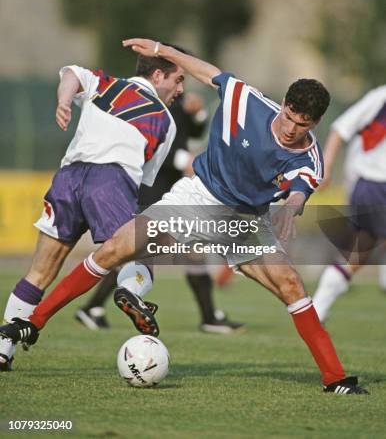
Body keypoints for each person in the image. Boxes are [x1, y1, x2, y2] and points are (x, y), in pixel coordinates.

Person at [1, 39, 368, 394]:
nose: (291, 129)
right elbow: (208, 73)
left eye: (302, 125)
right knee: (114, 250)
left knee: (291, 286)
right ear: (283, 104)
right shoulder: (247, 101)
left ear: (315, 124)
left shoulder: (310, 157)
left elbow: (300, 189)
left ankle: (334, 379)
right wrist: (163, 52)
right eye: (289, 117)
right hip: (197, 197)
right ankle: (33, 323)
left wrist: (290, 208)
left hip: (244, 220)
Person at [0, 45, 186, 371]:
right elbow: (145, 179)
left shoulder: (105, 82)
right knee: (138, 251)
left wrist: (62, 102)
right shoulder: (165, 121)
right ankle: (130, 292)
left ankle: (3, 349)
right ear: (158, 75)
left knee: (39, 272)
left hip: (68, 177)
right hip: (111, 181)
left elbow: (70, 74)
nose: (180, 89)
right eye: (179, 79)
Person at [75, 92, 244, 333]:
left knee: (183, 251)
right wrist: (187, 160)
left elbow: (192, 134)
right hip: (154, 189)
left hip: (170, 190)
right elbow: (152, 147)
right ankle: (92, 307)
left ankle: (209, 316)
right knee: (136, 253)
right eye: (178, 76)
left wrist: (198, 115)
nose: (181, 84)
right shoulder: (152, 99)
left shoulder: (177, 98)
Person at [313, 86, 386, 322]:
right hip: (375, 184)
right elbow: (341, 128)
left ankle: (316, 310)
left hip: (366, 187)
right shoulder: (381, 97)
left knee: (357, 253)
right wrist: (326, 167)